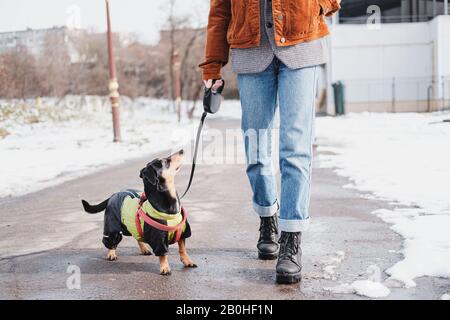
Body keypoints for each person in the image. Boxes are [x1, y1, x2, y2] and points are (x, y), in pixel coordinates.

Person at [199, 0, 341, 284]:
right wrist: (213, 65)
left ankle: (291, 238)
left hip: (301, 46)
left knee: (295, 148)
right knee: (256, 148)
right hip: (250, 51)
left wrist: (318, 6)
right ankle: (268, 215)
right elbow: (220, 12)